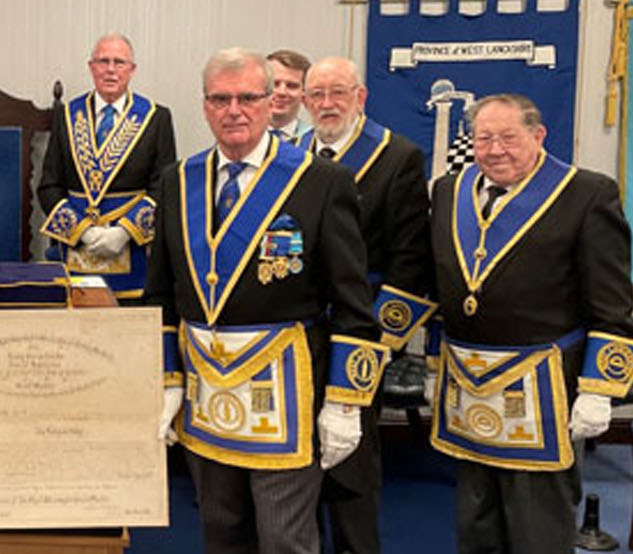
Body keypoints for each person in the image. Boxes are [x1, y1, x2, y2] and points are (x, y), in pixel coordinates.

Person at [145, 47, 384, 554]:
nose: (234, 110)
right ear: (205, 106)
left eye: (248, 97)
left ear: (271, 101)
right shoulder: (176, 182)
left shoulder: (320, 181)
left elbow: (353, 303)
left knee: (284, 539)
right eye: (221, 99)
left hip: (287, 395)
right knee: (222, 529)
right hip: (206, 393)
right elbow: (161, 296)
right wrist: (166, 381)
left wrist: (345, 402)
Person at [428, 93, 633, 554]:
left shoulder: (586, 193)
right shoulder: (450, 189)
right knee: (476, 518)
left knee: (536, 528)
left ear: (538, 135)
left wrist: (599, 388)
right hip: (468, 385)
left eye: (508, 137)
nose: (495, 149)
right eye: (483, 138)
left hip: (546, 388)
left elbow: (611, 302)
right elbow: (441, 277)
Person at [300, 57, 433, 554]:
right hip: (297, 336)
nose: (327, 104)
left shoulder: (396, 156)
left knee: (352, 468)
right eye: (317, 95)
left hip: (361, 334)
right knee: (297, 468)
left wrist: (375, 344)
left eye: (338, 92)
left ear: (361, 97)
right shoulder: (291, 153)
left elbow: (410, 264)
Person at [39, 33, 176, 303]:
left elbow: (164, 187)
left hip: (133, 250)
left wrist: (124, 232)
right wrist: (83, 231)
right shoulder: (67, 116)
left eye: (119, 62)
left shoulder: (155, 117)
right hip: (75, 246)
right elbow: (49, 186)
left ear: (132, 69)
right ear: (91, 67)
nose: (111, 69)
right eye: (103, 61)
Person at [266, 49, 312, 146]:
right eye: (275, 84)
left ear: (304, 93)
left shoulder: (315, 141)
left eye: (292, 85)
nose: (282, 92)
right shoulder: (242, 137)